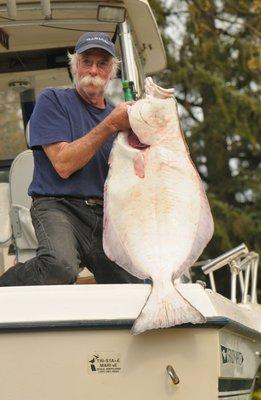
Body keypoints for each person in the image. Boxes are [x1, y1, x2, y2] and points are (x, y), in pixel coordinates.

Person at [0, 32, 140, 286]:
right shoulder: (53, 100)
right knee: (58, 267)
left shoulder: (121, 121)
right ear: (74, 65)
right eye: (87, 61)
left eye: (102, 64)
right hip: (57, 205)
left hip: (104, 214)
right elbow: (64, 165)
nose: (94, 70)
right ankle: (5, 286)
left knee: (134, 281)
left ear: (111, 71)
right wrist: (110, 125)